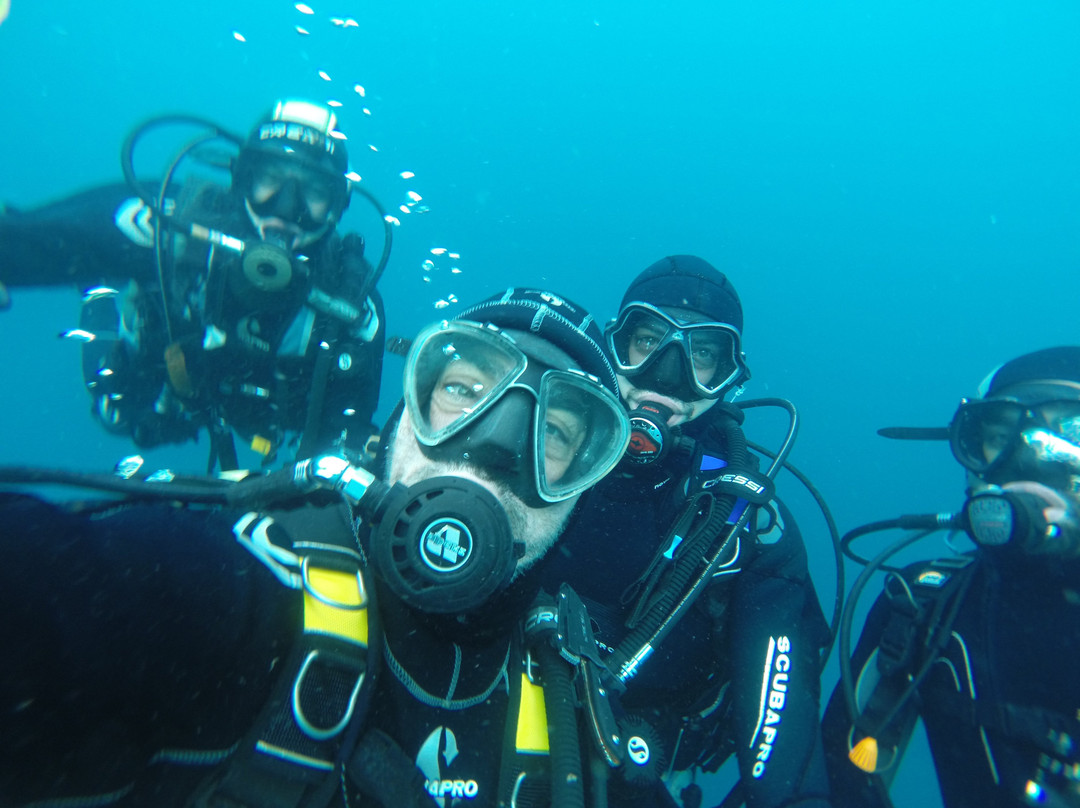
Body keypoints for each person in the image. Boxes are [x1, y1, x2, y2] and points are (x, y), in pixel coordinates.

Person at [0, 287, 639, 808]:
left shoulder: (572, 702)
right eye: (465, 391)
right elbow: (58, 591)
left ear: (581, 491)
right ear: (398, 421)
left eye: (552, 430)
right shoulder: (247, 576)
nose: (495, 446)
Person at [536, 256, 835, 807]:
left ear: (729, 379)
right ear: (614, 345)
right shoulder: (533, 450)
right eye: (648, 341)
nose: (668, 375)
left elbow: (787, 768)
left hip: (636, 772)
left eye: (701, 355)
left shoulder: (744, 529)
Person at [0, 98, 387, 470]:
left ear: (337, 208)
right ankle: (98, 293)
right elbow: (38, 239)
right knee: (116, 416)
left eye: (314, 192)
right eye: (270, 179)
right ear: (241, 178)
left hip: (257, 413)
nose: (286, 208)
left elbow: (347, 441)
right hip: (173, 380)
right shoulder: (172, 226)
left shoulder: (350, 305)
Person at [822, 346, 1080, 808]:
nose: (1025, 464)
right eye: (1001, 434)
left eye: (1069, 434)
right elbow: (835, 780)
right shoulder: (924, 605)